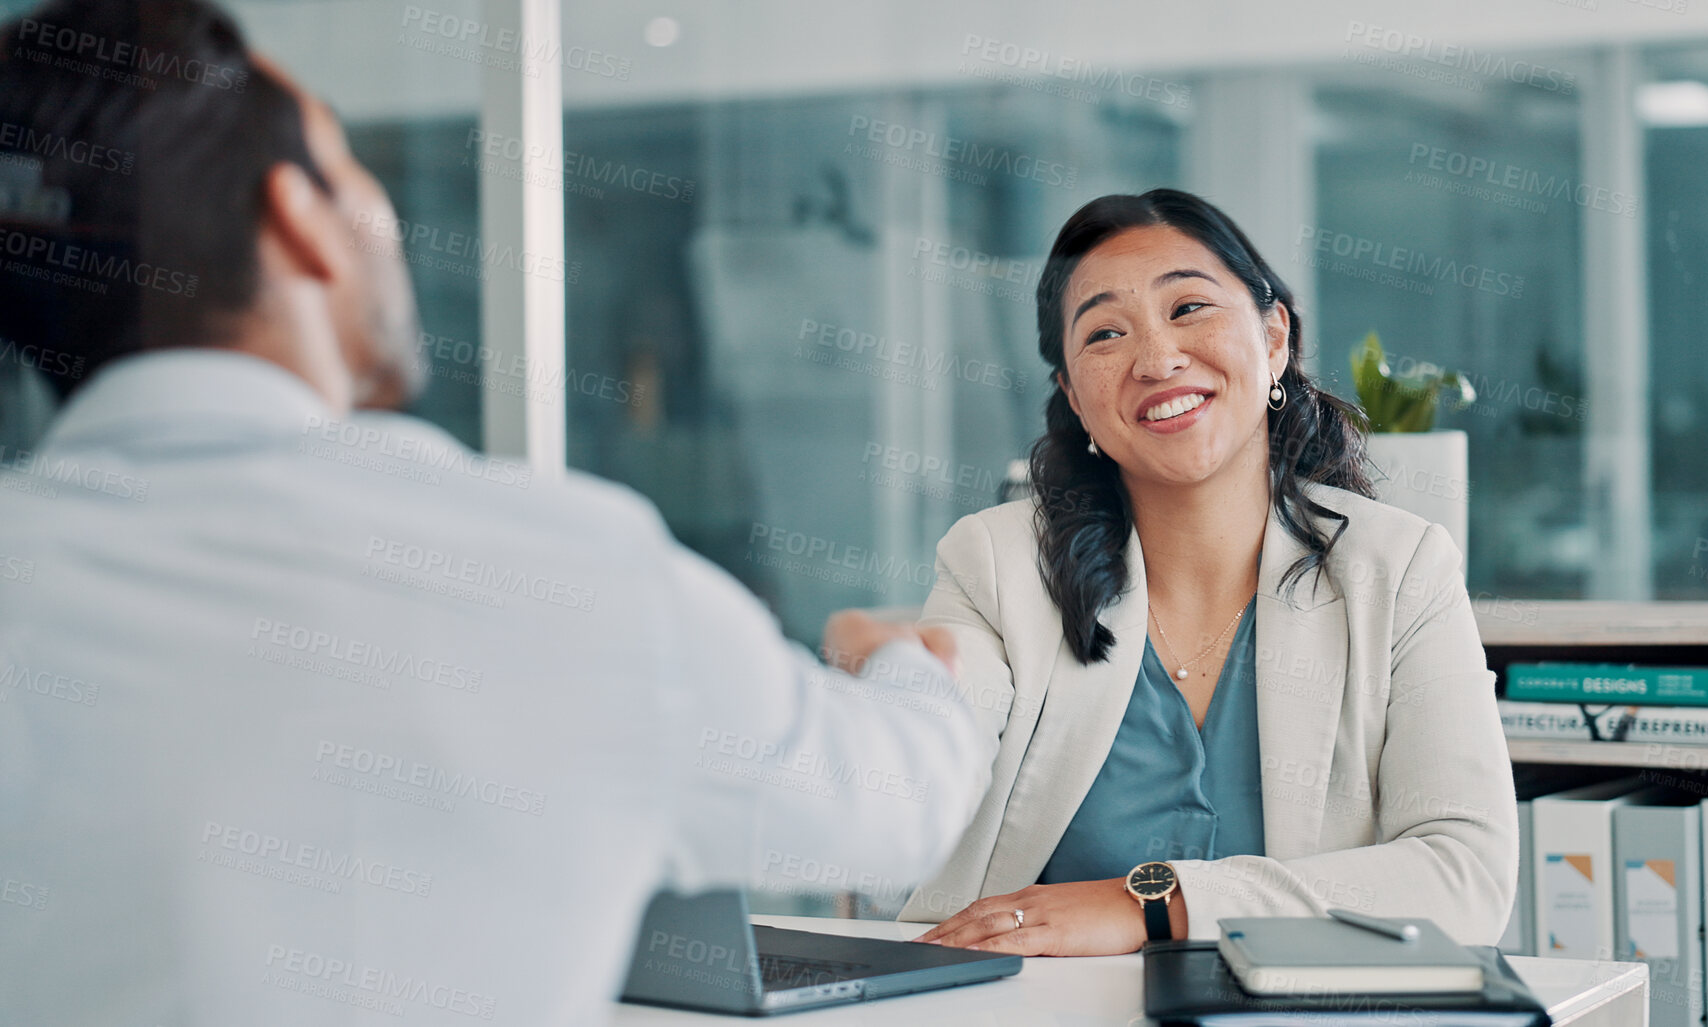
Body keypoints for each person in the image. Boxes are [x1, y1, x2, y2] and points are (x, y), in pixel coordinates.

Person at [0, 2, 982, 1024]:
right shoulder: (558, 569)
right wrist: (899, 660)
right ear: (299, 219)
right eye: (353, 171)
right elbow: (900, 805)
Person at [904, 189, 1517, 955]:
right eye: (1104, 332)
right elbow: (914, 763)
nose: (1156, 359)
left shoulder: (1397, 568)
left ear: (1273, 339)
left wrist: (1150, 905)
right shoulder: (995, 566)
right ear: (1072, 396)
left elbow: (1464, 878)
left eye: (1188, 307)